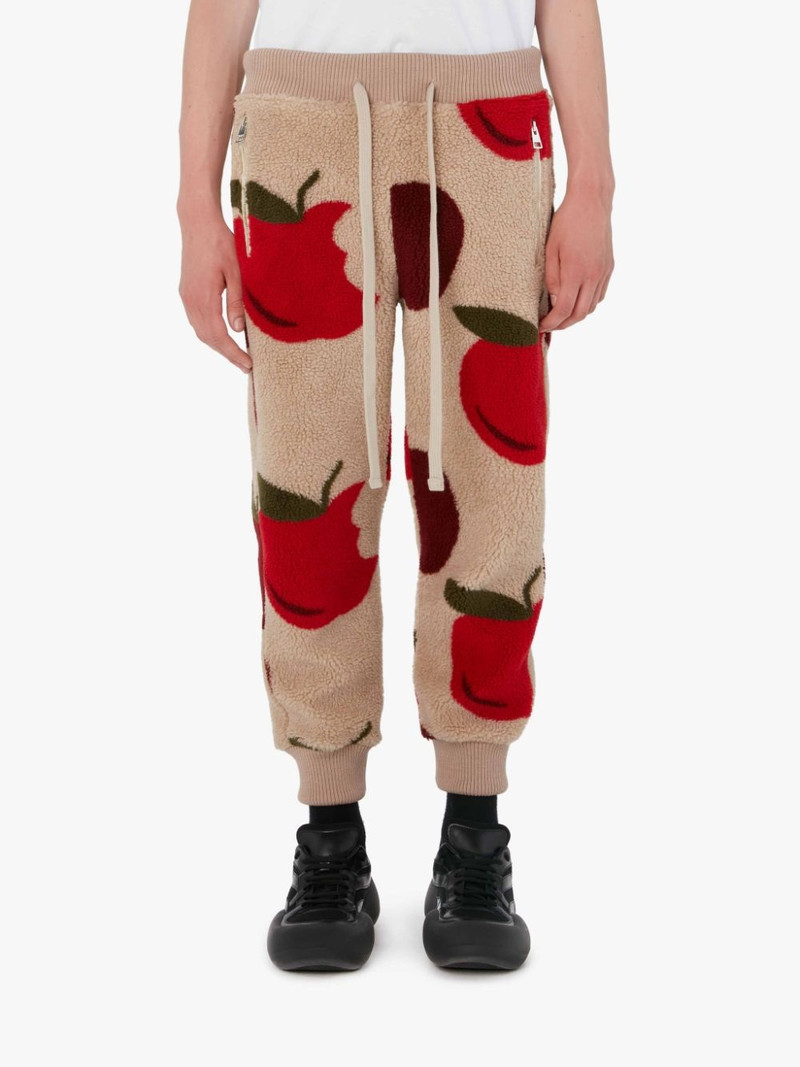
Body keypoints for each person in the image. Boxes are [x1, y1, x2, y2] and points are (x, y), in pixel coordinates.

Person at [178, 0, 614, 972]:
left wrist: (594, 180)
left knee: (493, 482)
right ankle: (329, 836)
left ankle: (474, 834)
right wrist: (194, 207)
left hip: (488, 121)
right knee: (305, 481)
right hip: (299, 121)